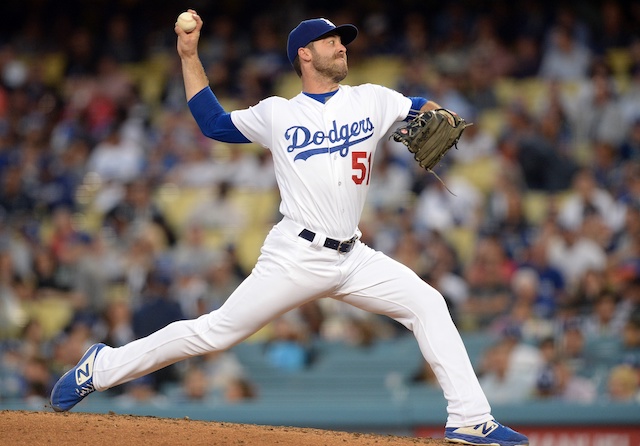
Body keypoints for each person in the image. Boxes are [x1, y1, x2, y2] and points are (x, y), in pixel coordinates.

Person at [50, 11, 529, 446]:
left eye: (343, 41)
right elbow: (213, 124)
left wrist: (432, 112)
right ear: (305, 53)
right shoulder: (277, 113)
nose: (342, 46)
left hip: (353, 256)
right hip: (295, 255)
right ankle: (102, 366)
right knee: (215, 333)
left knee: (428, 302)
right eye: (331, 41)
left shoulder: (372, 100)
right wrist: (189, 55)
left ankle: (469, 418)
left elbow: (419, 106)